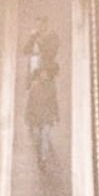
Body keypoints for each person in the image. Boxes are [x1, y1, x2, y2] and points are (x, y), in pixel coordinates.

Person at [24, 31, 60, 179]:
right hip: (36, 117)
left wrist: (56, 114)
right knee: (39, 137)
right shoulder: (34, 87)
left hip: (46, 117)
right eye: (42, 74)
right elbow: (29, 102)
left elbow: (54, 100)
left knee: (45, 136)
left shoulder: (52, 87)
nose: (44, 76)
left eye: (46, 74)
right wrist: (28, 116)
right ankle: (41, 155)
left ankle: (43, 159)